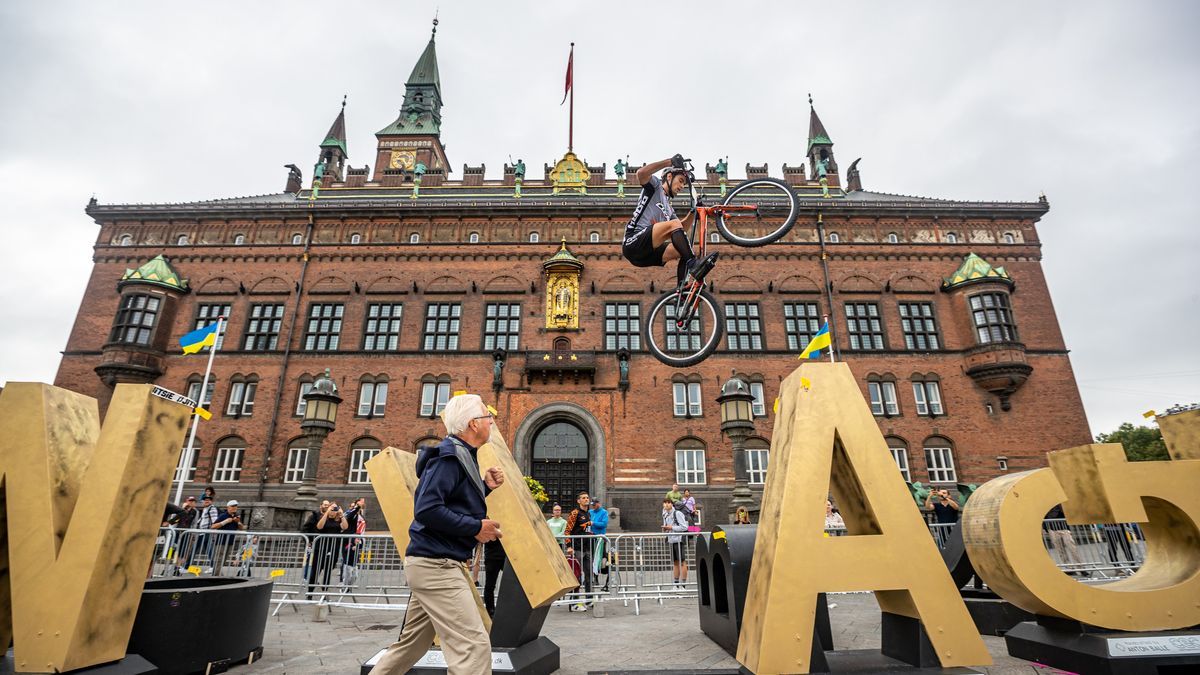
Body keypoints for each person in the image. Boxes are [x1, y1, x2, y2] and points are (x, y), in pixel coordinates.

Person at [370, 394, 505, 675]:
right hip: (437, 566)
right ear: (472, 424)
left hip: (434, 563)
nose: (492, 421)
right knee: (473, 646)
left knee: (411, 646)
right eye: (487, 416)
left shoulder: (462, 456)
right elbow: (428, 510)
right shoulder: (449, 458)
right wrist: (476, 528)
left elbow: (452, 501)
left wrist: (485, 487)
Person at [622, 154, 717, 288]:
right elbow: (641, 173)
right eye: (681, 180)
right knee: (676, 229)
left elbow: (681, 229)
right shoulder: (655, 187)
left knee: (684, 249)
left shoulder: (669, 209)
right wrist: (670, 162)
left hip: (645, 255)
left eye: (684, 183)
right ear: (669, 177)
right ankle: (693, 264)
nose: (682, 186)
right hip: (633, 242)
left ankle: (681, 289)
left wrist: (694, 211)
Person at [307, 500, 349, 596]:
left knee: (328, 570)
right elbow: (319, 527)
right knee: (315, 570)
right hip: (320, 548)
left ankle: (325, 591)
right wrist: (326, 512)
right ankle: (310, 592)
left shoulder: (339, 520)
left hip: (333, 548)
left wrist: (342, 515)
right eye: (332, 508)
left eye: (335, 509)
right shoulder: (323, 518)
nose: (333, 511)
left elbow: (345, 527)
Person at [564, 491, 594, 610]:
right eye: (583, 498)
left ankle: (589, 599)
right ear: (578, 501)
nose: (586, 499)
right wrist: (569, 547)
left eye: (587, 498)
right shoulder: (575, 513)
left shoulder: (589, 514)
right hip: (577, 548)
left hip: (587, 548)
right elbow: (567, 531)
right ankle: (574, 603)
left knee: (589, 575)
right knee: (577, 576)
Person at [210, 499, 247, 575]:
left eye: (236, 506)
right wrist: (225, 522)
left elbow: (241, 528)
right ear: (228, 507)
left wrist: (238, 522)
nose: (234, 508)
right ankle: (215, 576)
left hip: (230, 541)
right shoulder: (223, 515)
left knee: (223, 560)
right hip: (221, 541)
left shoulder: (236, 516)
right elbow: (213, 526)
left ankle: (217, 574)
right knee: (219, 559)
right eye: (232, 506)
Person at [662, 499, 690, 586]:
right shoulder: (666, 515)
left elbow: (684, 527)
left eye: (668, 503)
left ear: (672, 504)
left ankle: (684, 585)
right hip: (671, 540)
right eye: (665, 503)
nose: (666, 505)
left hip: (679, 540)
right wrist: (665, 529)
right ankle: (676, 583)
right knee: (675, 562)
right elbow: (668, 527)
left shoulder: (677, 513)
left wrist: (671, 528)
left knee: (682, 561)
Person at [588, 499, 610, 588]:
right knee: (592, 558)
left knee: (601, 557)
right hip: (590, 537)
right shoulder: (590, 512)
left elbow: (604, 524)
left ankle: (605, 576)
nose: (593, 506)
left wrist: (593, 523)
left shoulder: (604, 512)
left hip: (600, 538)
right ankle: (594, 578)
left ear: (599, 504)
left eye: (594, 504)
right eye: (592, 505)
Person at [482, 539, 506, 617]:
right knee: (490, 586)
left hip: (505, 556)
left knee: (511, 585)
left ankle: (492, 610)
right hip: (492, 556)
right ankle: (490, 611)